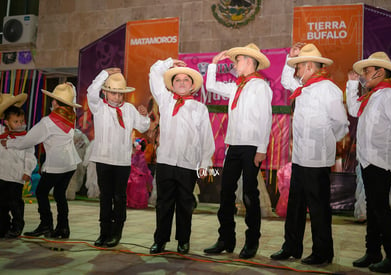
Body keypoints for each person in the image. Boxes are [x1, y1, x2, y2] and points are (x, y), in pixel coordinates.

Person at [270, 43, 349, 265]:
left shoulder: (327, 88)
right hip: (300, 158)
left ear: (308, 66)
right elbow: (286, 80)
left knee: (318, 207)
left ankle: (323, 252)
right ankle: (291, 247)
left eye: (298, 67)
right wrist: (290, 57)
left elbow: (341, 124)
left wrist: (323, 143)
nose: (296, 71)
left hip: (317, 158)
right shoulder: (303, 88)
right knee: (295, 204)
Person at [346, 51, 391, 273]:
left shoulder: (390, 96)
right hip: (368, 161)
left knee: (381, 209)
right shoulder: (373, 95)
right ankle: (373, 251)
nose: (364, 75)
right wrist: (350, 85)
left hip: (382, 162)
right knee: (373, 208)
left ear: (380, 71)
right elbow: (354, 110)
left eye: (367, 71)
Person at [203, 43, 272, 259]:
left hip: (252, 147)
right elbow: (212, 85)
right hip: (233, 145)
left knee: (250, 194)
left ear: (250, 61)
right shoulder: (236, 86)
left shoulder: (261, 86)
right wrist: (214, 64)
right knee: (226, 192)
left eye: (238, 60)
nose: (234, 64)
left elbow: (265, 119)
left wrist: (262, 149)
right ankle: (226, 239)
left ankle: (251, 242)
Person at [148, 58, 214, 254]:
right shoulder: (165, 100)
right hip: (166, 162)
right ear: (172, 84)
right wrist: (169, 62)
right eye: (178, 80)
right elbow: (153, 72)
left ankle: (183, 241)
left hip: (188, 164)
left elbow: (206, 139)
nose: (182, 83)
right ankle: (160, 240)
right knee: (163, 204)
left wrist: (204, 163)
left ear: (192, 85)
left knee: (185, 205)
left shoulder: (200, 109)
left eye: (186, 80)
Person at [2, 83, 82, 239]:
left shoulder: (49, 122)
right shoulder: (71, 116)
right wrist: (70, 87)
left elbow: (27, 141)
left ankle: (46, 225)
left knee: (41, 192)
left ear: (54, 102)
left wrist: (9, 143)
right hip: (70, 163)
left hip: (57, 165)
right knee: (60, 195)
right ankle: (63, 228)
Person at [87, 68, 150, 248]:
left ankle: (117, 232)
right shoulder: (99, 107)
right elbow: (91, 92)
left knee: (119, 197)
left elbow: (143, 126)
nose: (117, 97)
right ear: (105, 92)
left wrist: (144, 115)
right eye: (113, 93)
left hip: (122, 161)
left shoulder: (129, 109)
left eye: (120, 94)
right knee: (105, 196)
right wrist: (104, 74)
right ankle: (103, 232)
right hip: (103, 159)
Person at [0, 93, 37, 238]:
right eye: (16, 121)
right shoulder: (2, 133)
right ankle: (3, 226)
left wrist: (27, 170)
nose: (20, 124)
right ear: (7, 122)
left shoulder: (26, 137)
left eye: (22, 121)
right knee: (1, 204)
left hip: (16, 176)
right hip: (2, 175)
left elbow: (30, 156)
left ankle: (17, 226)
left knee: (15, 203)